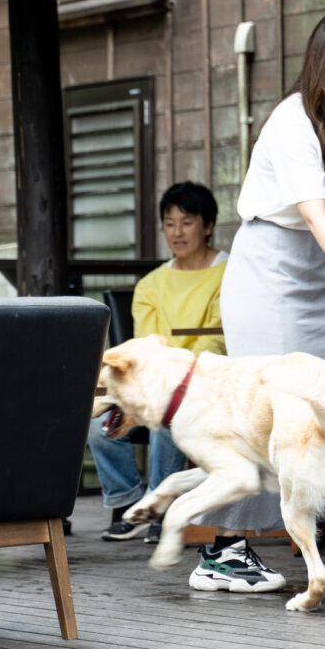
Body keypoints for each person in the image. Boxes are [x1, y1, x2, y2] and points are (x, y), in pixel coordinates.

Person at [188, 8, 325, 593]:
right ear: (323, 63)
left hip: (309, 278)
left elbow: (321, 206)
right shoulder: (292, 122)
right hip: (267, 279)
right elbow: (311, 215)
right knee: (269, 414)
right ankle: (223, 550)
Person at [88, 181, 227, 544]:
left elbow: (217, 340)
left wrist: (174, 375)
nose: (177, 232)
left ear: (208, 225)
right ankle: (128, 501)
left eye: (187, 222)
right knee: (96, 424)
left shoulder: (230, 274)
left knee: (170, 412)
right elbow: (145, 348)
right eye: (169, 223)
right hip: (154, 383)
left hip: (207, 384)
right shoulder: (150, 285)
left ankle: (159, 507)